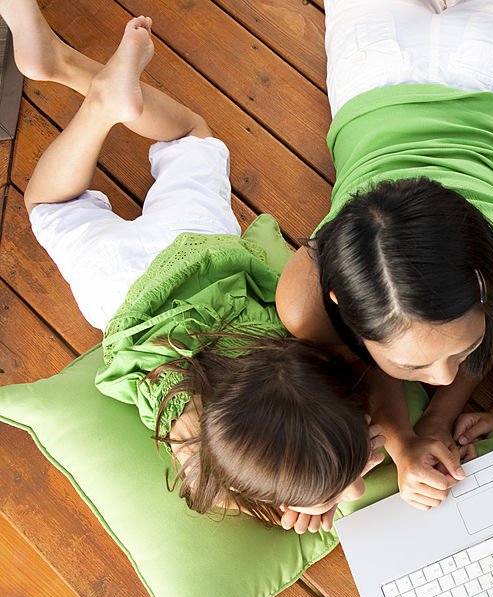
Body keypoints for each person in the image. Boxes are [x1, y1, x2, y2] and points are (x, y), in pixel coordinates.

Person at [4, 2, 383, 533]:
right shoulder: (188, 429)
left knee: (191, 135)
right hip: (116, 288)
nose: (357, 488)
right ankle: (74, 81)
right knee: (48, 205)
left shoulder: (300, 360)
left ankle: (94, 88)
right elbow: (208, 491)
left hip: (195, 248)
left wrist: (335, 463)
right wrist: (295, 499)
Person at [275, 0, 493, 512]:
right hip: (470, 72)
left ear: (484, 283)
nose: (446, 378)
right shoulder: (307, 298)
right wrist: (404, 437)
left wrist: (420, 429)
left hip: (468, 69)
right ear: (343, 303)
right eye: (416, 364)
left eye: (457, 351)